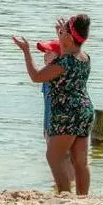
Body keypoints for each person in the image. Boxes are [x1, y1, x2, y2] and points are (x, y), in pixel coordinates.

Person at [13, 14, 94, 195]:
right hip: (85, 111)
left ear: (68, 37)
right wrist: (62, 36)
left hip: (67, 112)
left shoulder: (63, 62)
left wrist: (26, 52)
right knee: (80, 162)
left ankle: (65, 195)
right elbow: (69, 49)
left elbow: (36, 76)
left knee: (53, 156)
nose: (60, 32)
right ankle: (83, 199)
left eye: (63, 31)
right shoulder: (84, 57)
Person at [37, 39, 76, 185]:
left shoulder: (61, 74)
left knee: (65, 156)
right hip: (49, 123)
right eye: (44, 52)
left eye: (49, 52)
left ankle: (71, 185)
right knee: (54, 157)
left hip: (62, 123)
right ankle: (59, 185)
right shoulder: (45, 76)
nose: (45, 55)